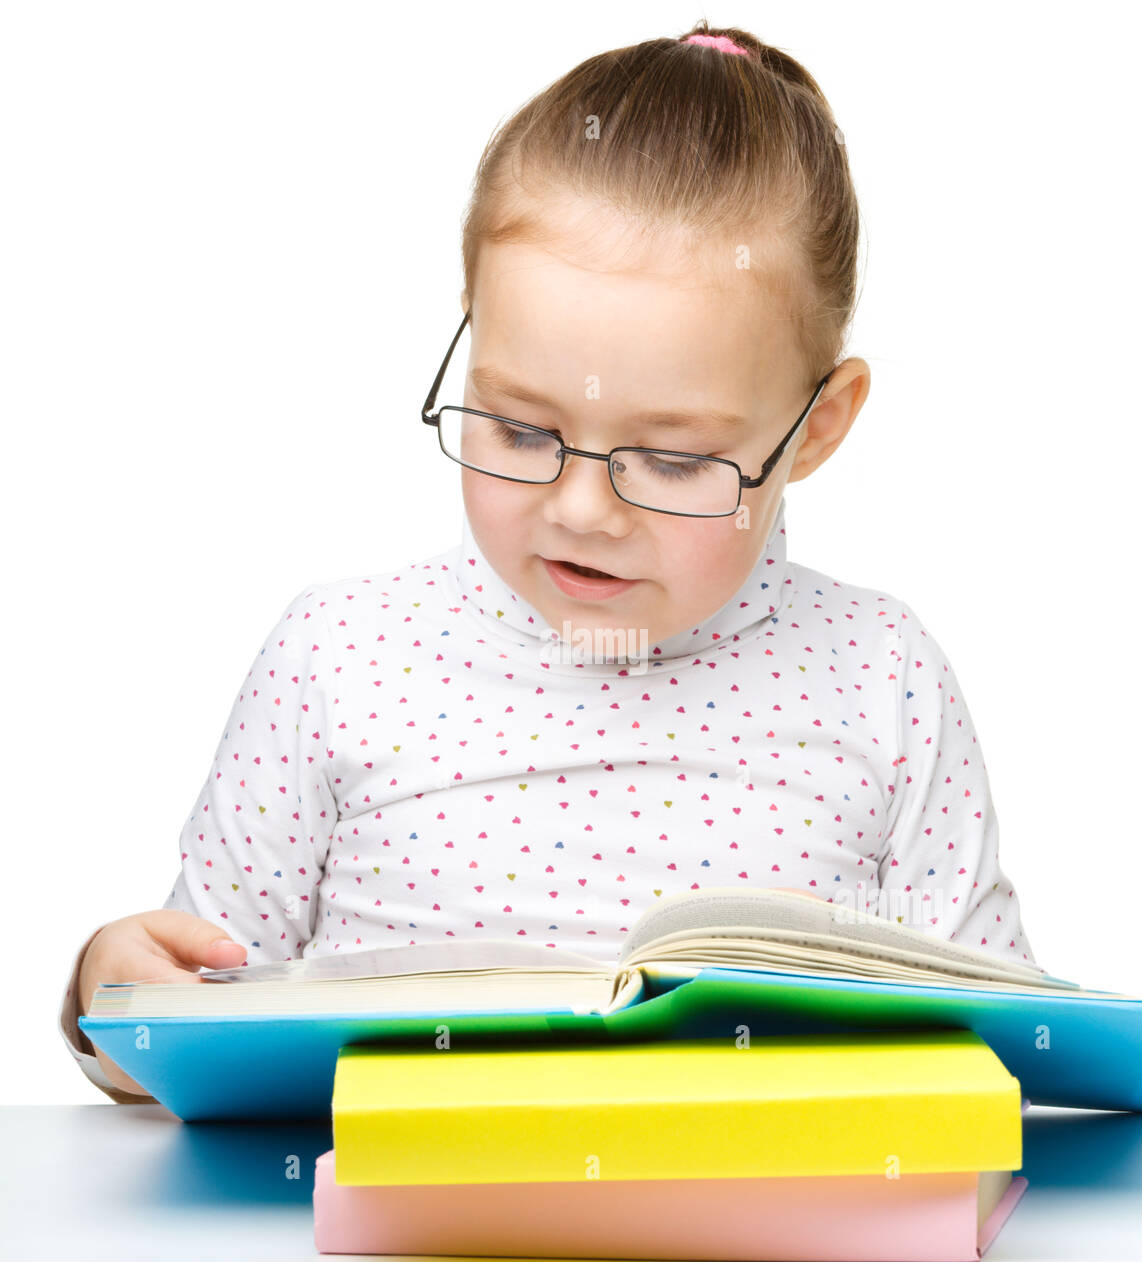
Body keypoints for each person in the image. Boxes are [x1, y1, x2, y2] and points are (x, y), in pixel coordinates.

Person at [60, 23, 1038, 1102]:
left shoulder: (880, 676)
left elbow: (1006, 1046)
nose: (580, 510)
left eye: (671, 459)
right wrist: (109, 1000)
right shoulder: (339, 657)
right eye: (520, 430)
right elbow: (175, 1036)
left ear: (816, 426)